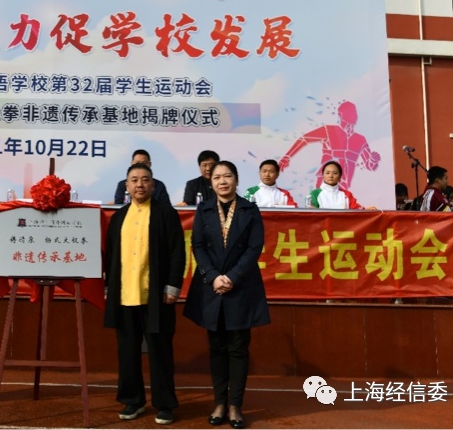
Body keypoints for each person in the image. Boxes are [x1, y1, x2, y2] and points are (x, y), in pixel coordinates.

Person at [183, 160, 270, 430]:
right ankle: (219, 403)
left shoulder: (249, 209)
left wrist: (232, 277)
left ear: (236, 179)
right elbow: (198, 245)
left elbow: (254, 248)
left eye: (227, 176)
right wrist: (213, 276)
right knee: (217, 349)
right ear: (211, 182)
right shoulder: (204, 209)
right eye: (217, 177)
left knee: (238, 349)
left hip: (241, 287)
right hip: (212, 288)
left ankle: (235, 406)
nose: (222, 181)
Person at [104, 162, 185, 425]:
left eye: (145, 179)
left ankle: (165, 404)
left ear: (153, 184)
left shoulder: (165, 213)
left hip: (156, 296)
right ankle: (133, 400)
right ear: (126, 186)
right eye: (134, 180)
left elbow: (177, 252)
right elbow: (110, 256)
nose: (140, 184)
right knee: (127, 351)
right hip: (125, 294)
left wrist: (172, 286)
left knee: (160, 351)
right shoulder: (118, 217)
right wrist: (109, 288)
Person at [278, 100, 380, 191]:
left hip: (344, 187)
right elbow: (304, 139)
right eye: (349, 112)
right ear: (340, 114)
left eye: (354, 112)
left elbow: (370, 166)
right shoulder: (329, 130)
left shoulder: (360, 139)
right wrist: (287, 156)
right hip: (324, 184)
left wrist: (373, 160)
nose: (353, 115)